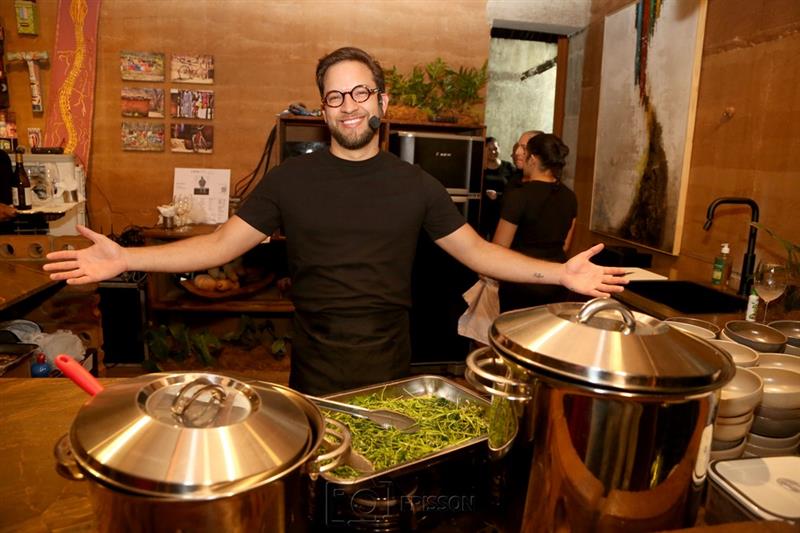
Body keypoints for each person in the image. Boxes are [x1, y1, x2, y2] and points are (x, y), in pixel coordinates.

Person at [44, 47, 627, 395]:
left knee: (374, 494)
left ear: (382, 102)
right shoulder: (289, 180)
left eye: (360, 93)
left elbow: (479, 253)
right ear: (323, 110)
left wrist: (561, 274)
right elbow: (219, 246)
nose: (349, 106)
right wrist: (127, 258)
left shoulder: (416, 185)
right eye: (335, 97)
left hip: (389, 370)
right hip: (312, 373)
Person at [492, 133, 578, 312]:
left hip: (520, 281)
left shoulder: (519, 196)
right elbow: (566, 245)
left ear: (532, 159)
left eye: (525, 153)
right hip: (556, 280)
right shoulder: (570, 197)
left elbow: (499, 248)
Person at [479, 136, 515, 239]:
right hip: (482, 214)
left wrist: (498, 195)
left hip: (501, 214)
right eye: (489, 149)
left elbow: (514, 191)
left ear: (499, 148)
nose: (493, 152)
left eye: (495, 148)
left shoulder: (508, 167)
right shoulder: (479, 167)